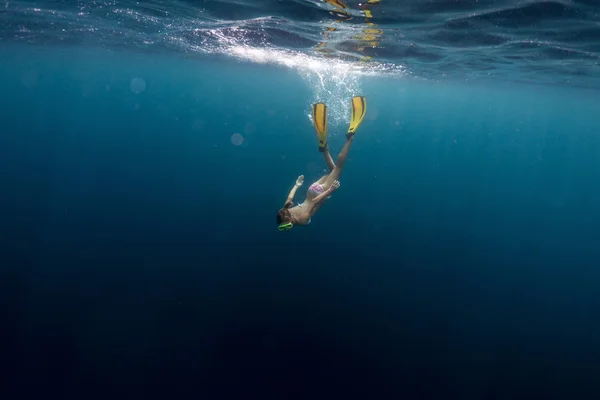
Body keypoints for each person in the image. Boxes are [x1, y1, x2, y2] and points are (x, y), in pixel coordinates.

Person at [276, 96, 366, 231]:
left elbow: (314, 202)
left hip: (320, 192)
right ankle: (325, 149)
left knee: (339, 168)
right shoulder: (286, 210)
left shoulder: (302, 220)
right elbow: (290, 196)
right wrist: (297, 185)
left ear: (285, 219)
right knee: (334, 171)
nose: (288, 227)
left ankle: (350, 138)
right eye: (285, 228)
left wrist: (330, 190)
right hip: (312, 189)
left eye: (285, 226)